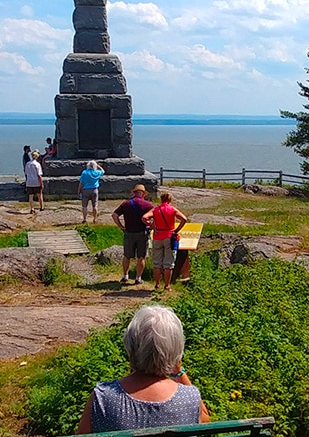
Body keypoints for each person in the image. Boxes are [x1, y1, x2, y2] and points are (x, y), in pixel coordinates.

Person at [76, 305, 209, 433]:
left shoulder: (103, 397)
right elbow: (205, 421)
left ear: (130, 345)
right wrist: (178, 371)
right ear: (177, 348)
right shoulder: (189, 398)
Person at [142, 192, 188, 291]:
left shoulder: (155, 209)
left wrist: (153, 226)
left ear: (161, 199)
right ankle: (167, 285)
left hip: (158, 236)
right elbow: (184, 219)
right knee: (169, 263)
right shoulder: (172, 209)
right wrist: (176, 230)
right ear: (170, 200)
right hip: (169, 236)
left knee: (157, 263)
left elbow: (144, 217)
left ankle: (157, 284)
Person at [112, 184, 154, 285]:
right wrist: (151, 226)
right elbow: (155, 217)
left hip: (129, 233)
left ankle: (125, 276)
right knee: (141, 257)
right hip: (142, 233)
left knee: (127, 256)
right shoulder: (148, 205)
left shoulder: (126, 204)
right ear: (143, 194)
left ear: (134, 193)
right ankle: (138, 278)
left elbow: (114, 215)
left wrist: (121, 226)